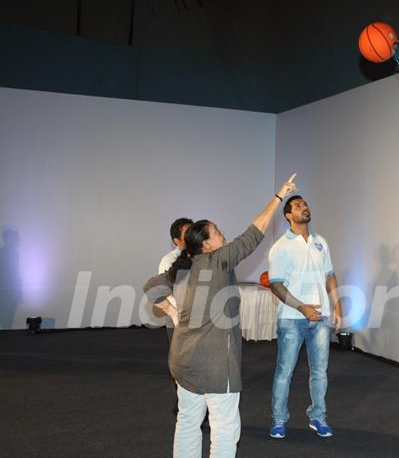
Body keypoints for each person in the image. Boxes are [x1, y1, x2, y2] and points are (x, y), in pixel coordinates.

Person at [143, 174, 298, 458]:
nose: (222, 232)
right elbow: (256, 231)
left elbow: (152, 288)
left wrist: (176, 315)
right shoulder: (219, 260)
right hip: (216, 366)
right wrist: (278, 197)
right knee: (225, 429)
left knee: (188, 422)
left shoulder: (181, 267)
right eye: (217, 231)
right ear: (207, 244)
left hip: (183, 360)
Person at [267, 195, 341, 439]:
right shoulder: (280, 247)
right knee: (284, 371)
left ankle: (318, 417)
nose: (304, 207)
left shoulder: (321, 242)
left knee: (320, 371)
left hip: (320, 318)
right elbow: (276, 285)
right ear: (288, 215)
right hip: (291, 319)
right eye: (298, 206)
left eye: (306, 204)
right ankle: (279, 420)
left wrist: (337, 306)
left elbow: (330, 275)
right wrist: (302, 308)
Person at [157, 217, 194, 336]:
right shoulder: (168, 261)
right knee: (178, 354)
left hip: (200, 317)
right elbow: (167, 292)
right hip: (178, 318)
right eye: (187, 233)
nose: (192, 236)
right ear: (176, 241)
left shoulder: (202, 257)